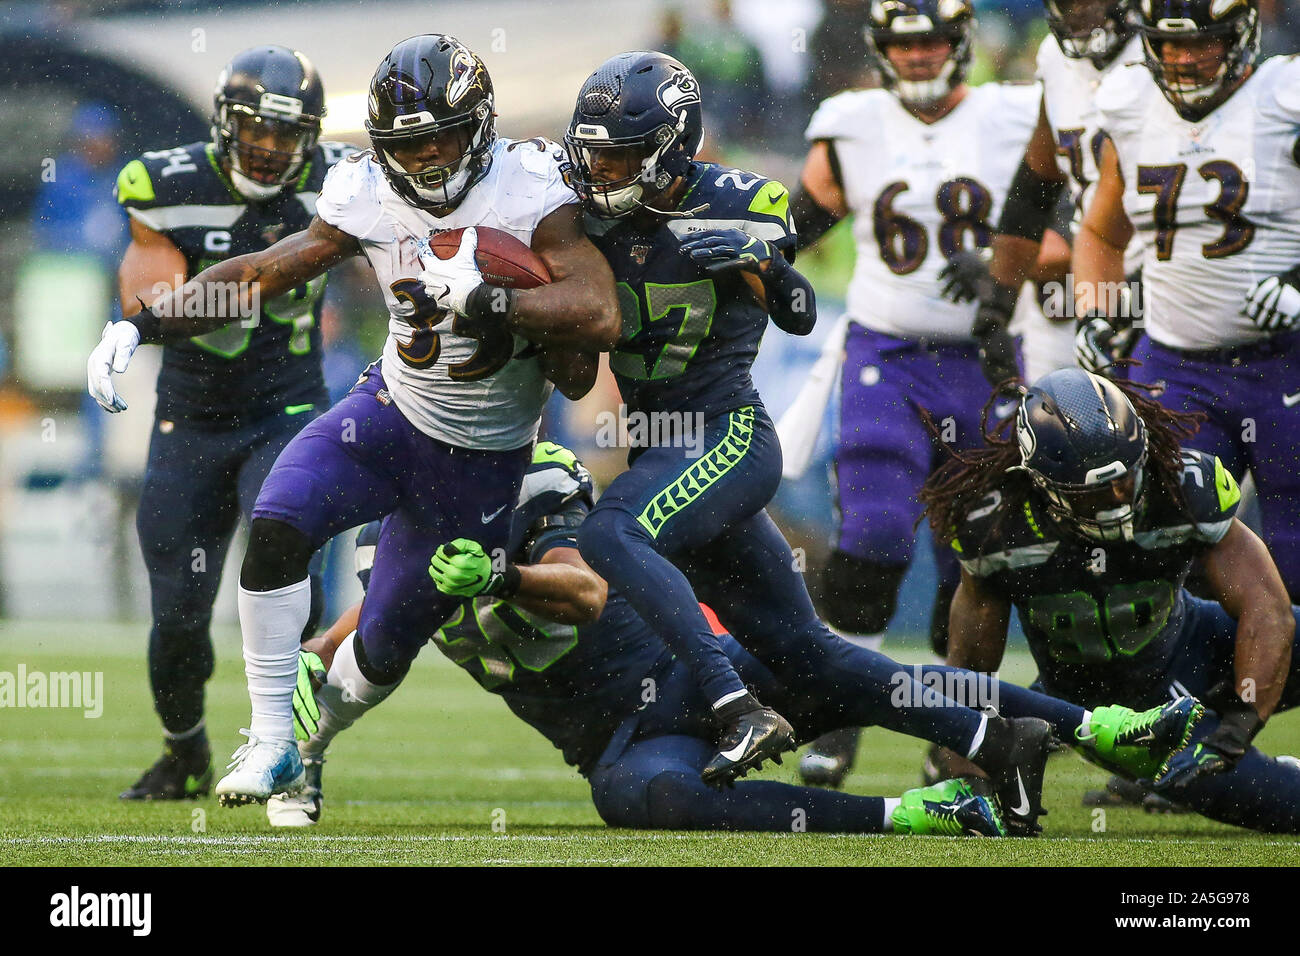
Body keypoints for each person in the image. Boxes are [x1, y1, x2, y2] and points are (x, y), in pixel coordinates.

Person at [88, 34, 620, 807]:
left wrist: (488, 299)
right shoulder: (368, 189)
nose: (427, 158)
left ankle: (309, 747)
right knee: (279, 519)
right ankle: (271, 740)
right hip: (390, 410)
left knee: (377, 656)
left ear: (478, 125)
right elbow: (262, 273)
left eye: (439, 136)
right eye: (407, 143)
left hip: (483, 453)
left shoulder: (534, 185)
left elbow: (598, 315)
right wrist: (144, 325)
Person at [274, 441, 1190, 835]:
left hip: (693, 675)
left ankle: (1090, 725)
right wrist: (299, 693)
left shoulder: (524, 482)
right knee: (643, 803)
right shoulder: (385, 548)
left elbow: (587, 590)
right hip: (628, 738)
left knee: (832, 666)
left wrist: (507, 577)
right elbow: (372, 628)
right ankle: (918, 817)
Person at [789, 0, 1042, 786]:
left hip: (985, 359)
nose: (922, 57)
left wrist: (1012, 265)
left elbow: (1070, 222)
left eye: (934, 42)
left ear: (962, 45)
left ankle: (957, 739)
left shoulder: (1013, 116)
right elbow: (799, 223)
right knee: (870, 535)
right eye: (906, 44)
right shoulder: (853, 123)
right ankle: (839, 714)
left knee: (978, 563)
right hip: (885, 354)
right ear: (880, 50)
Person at [112, 47, 352, 800]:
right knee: (178, 614)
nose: (273, 148)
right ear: (224, 121)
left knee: (289, 568)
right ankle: (184, 750)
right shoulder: (167, 183)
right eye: (258, 129)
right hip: (190, 419)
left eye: (290, 134)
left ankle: (290, 755)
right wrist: (239, 285)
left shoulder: (343, 182)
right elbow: (146, 308)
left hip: (288, 409)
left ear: (312, 137)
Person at [920, 368, 1300, 832]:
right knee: (1278, 803)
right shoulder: (997, 528)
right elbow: (972, 676)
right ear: (1040, 482)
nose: (1119, 497)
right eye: (1095, 491)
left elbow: (1268, 608)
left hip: (1195, 645)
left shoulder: (1181, 485)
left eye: (1126, 476)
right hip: (1109, 714)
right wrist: (970, 769)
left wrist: (1240, 721)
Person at [1072, 0, 1300, 602]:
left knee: (1296, 558)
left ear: (1241, 37)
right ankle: (1200, 696)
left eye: (1202, 43)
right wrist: (1097, 308)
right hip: (1176, 365)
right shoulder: (1131, 103)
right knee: (1168, 550)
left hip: (1286, 360)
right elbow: (1100, 232)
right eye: (1167, 46)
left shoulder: (1285, 96)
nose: (1182, 59)